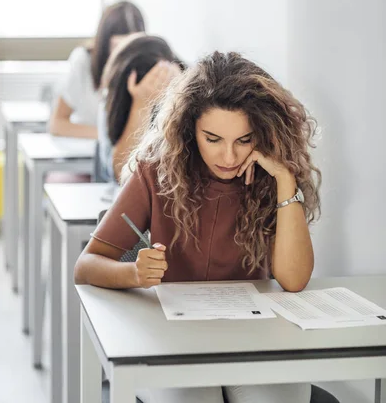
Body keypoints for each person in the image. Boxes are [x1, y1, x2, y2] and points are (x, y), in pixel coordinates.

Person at [75, 51, 321, 403]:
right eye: (213, 139)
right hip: (170, 337)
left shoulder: (270, 178)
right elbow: (85, 267)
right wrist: (135, 274)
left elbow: (294, 280)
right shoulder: (155, 172)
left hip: (251, 337)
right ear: (190, 129)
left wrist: (284, 179)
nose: (229, 157)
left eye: (244, 140)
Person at [49, 1, 145, 139]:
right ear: (104, 44)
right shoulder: (83, 60)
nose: (124, 55)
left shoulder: (146, 65)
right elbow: (57, 124)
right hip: (86, 150)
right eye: (117, 46)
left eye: (131, 46)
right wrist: (109, 139)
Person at [97, 34, 183, 182]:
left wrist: (179, 95)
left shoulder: (184, 86)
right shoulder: (110, 102)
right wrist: (141, 104)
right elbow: (121, 175)